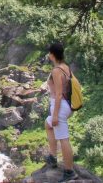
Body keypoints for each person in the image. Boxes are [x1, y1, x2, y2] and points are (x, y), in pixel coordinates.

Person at [43, 41, 76, 181]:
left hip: (60, 106)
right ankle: (52, 156)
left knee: (63, 139)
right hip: (66, 105)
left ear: (52, 54)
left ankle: (69, 172)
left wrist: (55, 114)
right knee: (48, 124)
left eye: (49, 53)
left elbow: (58, 94)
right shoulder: (65, 67)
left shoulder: (56, 71)